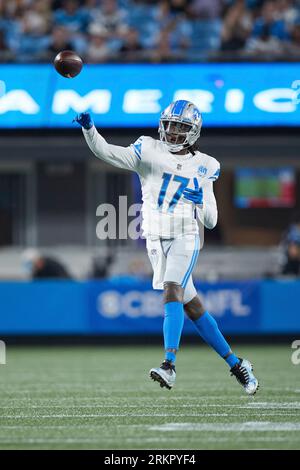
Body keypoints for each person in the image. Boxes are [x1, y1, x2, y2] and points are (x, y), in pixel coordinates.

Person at [74, 100, 259, 395]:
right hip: (155, 239)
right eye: (170, 126)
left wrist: (198, 200)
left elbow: (211, 221)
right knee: (193, 306)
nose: (172, 133)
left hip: (186, 237)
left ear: (193, 132)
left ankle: (169, 365)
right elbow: (107, 152)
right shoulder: (148, 149)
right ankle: (238, 365)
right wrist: (89, 129)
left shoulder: (205, 165)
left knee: (172, 289)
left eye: (180, 128)